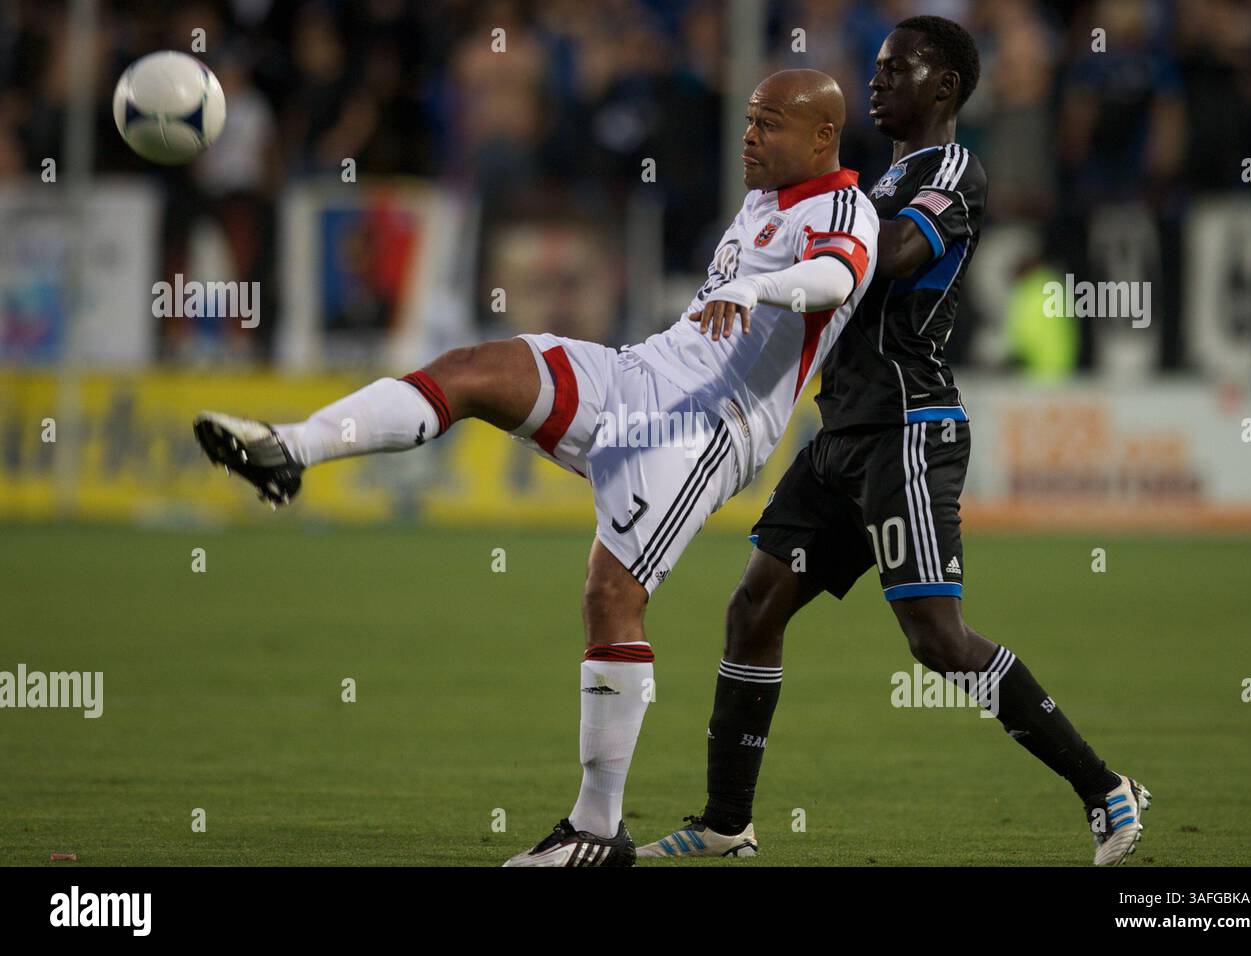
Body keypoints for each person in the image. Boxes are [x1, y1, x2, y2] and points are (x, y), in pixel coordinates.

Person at [193, 69, 880, 867]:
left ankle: (596, 830)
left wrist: (764, 288)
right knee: (479, 368)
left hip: (706, 425)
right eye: (750, 121)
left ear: (823, 136)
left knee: (612, 596)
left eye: (767, 124)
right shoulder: (765, 196)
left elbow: (836, 277)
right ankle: (292, 450)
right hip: (638, 373)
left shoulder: (843, 208)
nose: (749, 136)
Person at [640, 16, 1150, 867]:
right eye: (873, 69)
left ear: (944, 86)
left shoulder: (952, 170)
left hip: (909, 430)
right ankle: (726, 824)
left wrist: (797, 263)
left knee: (937, 641)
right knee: (752, 609)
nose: (874, 82)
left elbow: (899, 255)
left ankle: (1105, 790)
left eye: (894, 68)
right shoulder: (869, 185)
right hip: (842, 432)